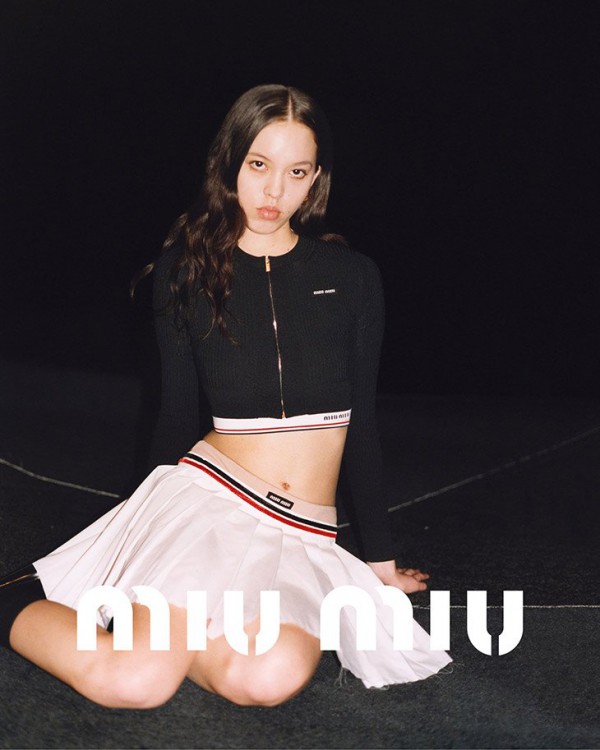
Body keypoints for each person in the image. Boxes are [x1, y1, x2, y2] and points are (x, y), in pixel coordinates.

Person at [1, 84, 451, 708]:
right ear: (230, 162)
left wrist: (378, 566)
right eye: (259, 164)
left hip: (303, 537)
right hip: (207, 509)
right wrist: (134, 543)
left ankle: (166, 641)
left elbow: (363, 425)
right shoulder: (184, 272)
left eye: (296, 172)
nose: (274, 191)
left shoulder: (353, 278)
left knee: (264, 679)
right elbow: (175, 415)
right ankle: (15, 601)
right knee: (134, 684)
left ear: (316, 180)